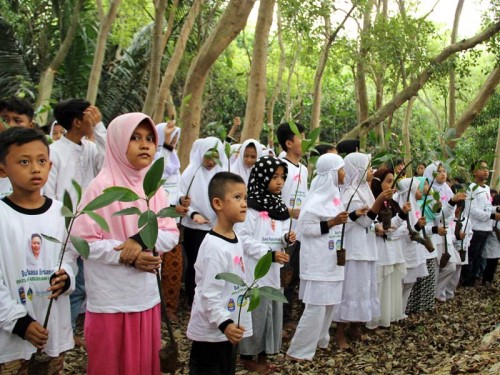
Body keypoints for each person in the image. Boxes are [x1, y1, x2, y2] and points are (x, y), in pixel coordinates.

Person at [70, 113, 179, 375]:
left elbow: (171, 233)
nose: (145, 144)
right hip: (111, 299)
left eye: (150, 139)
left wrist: (140, 241)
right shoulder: (100, 188)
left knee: (142, 363)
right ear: (117, 142)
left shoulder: (153, 188)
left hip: (146, 296)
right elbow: (81, 242)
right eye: (135, 138)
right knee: (111, 364)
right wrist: (126, 255)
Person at [0, 127, 74, 373]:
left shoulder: (61, 212)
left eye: (41, 161)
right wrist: (18, 322)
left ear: (50, 165)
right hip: (10, 340)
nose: (35, 168)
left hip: (52, 330)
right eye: (24, 161)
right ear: (2, 169)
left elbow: (70, 255)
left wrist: (66, 277)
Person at [45, 98, 106, 347]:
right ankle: (64, 332)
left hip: (90, 226)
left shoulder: (89, 148)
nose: (93, 118)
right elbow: (49, 193)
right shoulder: (54, 152)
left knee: (84, 284)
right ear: (77, 121)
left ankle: (69, 331)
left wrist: (100, 128)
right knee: (70, 282)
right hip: (64, 227)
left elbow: (108, 162)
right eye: (88, 115)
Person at [186, 172, 252, 375]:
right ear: (218, 203)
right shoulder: (215, 248)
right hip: (211, 334)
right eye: (237, 197)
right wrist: (225, 323)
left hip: (227, 330)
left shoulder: (234, 237)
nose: (244, 204)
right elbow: (208, 293)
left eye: (245, 198)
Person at [286, 154, 349, 360]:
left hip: (333, 259)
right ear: (332, 173)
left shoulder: (335, 197)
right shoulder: (315, 201)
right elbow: (306, 229)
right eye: (341, 169)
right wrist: (332, 222)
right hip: (319, 261)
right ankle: (299, 350)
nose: (344, 173)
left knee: (330, 303)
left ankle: (321, 339)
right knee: (316, 306)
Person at [235, 156, 293, 372]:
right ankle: (248, 355)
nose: (280, 182)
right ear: (261, 177)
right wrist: (268, 254)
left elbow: (279, 232)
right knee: (255, 312)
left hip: (274, 268)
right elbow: (243, 237)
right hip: (254, 270)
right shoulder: (250, 208)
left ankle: (264, 352)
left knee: (270, 312)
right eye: (274, 177)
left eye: (282, 177)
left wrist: (287, 238)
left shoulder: (278, 206)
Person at [333, 152, 393, 347]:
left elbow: (370, 222)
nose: (371, 172)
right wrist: (378, 202)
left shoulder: (364, 190)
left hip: (366, 246)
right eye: (368, 168)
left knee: (363, 289)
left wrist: (377, 226)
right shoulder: (349, 193)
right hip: (354, 249)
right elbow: (360, 220)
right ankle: (340, 332)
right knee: (350, 290)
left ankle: (355, 327)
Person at [181, 136, 228, 305]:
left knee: (214, 263)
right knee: (196, 264)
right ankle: (193, 299)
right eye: (208, 156)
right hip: (195, 228)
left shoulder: (221, 176)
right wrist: (193, 214)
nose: (211, 161)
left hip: (217, 227)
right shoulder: (191, 173)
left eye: (216, 157)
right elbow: (182, 198)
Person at [366, 168, 409, 329]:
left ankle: (387, 316)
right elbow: (378, 227)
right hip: (380, 250)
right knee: (379, 283)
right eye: (388, 182)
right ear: (379, 183)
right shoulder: (372, 202)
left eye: (393, 182)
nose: (392, 186)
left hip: (393, 248)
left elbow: (396, 228)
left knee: (391, 283)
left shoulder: (394, 203)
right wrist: (386, 228)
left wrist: (402, 214)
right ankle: (374, 319)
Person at [156, 120, 189, 321]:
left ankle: (169, 308)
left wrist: (181, 200)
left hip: (173, 225)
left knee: (173, 269)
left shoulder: (174, 165)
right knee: (155, 268)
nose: (174, 143)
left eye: (176, 139)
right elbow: (150, 193)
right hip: (155, 224)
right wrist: (170, 207)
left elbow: (175, 190)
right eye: (170, 139)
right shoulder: (154, 162)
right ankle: (153, 308)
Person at [276, 122, 308, 328]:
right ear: (288, 143)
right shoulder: (278, 166)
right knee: (282, 276)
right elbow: (270, 199)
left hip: (300, 229)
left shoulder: (304, 169)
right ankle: (281, 320)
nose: (305, 141)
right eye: (301, 138)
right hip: (282, 230)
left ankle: (288, 317)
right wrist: (288, 212)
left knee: (293, 275)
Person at [461, 161, 500, 286]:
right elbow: (472, 210)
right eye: (482, 168)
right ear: (474, 172)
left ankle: (474, 278)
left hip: (486, 228)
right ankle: (467, 281)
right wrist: (492, 215)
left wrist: (495, 209)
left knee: (478, 256)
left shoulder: (487, 189)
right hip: (475, 227)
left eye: (487, 168)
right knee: (471, 255)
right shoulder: (471, 188)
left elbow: (486, 207)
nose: (485, 171)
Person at [0, 98, 36, 199]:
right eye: (4, 120)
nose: (10, 125)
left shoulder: (39, 158)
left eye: (17, 121)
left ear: (31, 126)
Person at [482, 194, 500, 287]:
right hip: (494, 242)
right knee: (491, 264)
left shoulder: (490, 211)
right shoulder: (495, 214)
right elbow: (497, 229)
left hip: (490, 241)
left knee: (488, 263)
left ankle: (486, 279)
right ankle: (487, 280)